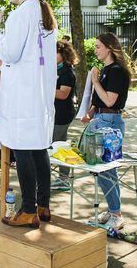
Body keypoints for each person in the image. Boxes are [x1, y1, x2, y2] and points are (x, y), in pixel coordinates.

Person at [0, 0, 58, 228]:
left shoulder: (21, 14)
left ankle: (28, 209)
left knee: (23, 149)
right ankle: (43, 205)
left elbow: (10, 53)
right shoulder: (44, 14)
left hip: (22, 95)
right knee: (39, 148)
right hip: (38, 93)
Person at [81, 32, 131, 230]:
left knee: (107, 170)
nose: (95, 50)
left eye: (98, 47)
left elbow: (110, 100)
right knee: (101, 170)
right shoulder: (105, 70)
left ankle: (116, 213)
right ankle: (113, 210)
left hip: (111, 121)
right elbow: (100, 100)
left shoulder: (117, 71)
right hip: (101, 118)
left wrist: (95, 82)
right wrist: (91, 112)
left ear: (109, 48)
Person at [50, 41, 78, 190]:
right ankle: (64, 179)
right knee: (61, 147)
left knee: (50, 146)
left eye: (54, 53)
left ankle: (60, 178)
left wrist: (45, 89)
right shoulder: (56, 69)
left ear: (63, 54)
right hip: (57, 114)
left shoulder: (67, 72)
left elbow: (62, 94)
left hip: (62, 115)